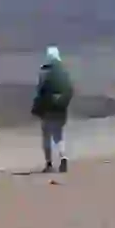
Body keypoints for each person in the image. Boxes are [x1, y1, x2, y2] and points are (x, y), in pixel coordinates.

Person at [31, 45, 74, 173]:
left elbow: (40, 90)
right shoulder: (64, 72)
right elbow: (70, 90)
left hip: (48, 110)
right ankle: (63, 157)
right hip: (61, 109)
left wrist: (38, 107)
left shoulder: (45, 71)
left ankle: (49, 164)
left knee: (46, 136)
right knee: (58, 135)